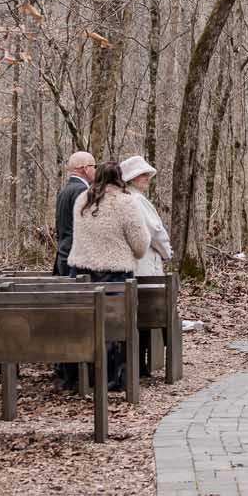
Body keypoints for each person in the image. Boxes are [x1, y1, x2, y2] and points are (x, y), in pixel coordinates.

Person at [65, 160, 149, 394]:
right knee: (116, 328)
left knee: (83, 326)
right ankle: (114, 378)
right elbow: (141, 244)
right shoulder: (126, 203)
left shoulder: (82, 200)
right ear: (119, 178)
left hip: (80, 273)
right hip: (114, 275)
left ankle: (81, 377)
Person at [119, 155, 172, 379]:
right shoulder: (137, 200)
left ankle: (142, 364)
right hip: (144, 266)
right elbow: (155, 232)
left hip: (138, 265)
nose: (147, 179)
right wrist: (167, 252)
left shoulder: (127, 198)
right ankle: (141, 365)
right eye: (143, 175)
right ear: (132, 178)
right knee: (147, 315)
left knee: (141, 317)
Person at [51, 149, 95, 390]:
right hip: (73, 258)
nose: (95, 171)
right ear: (84, 168)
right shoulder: (81, 191)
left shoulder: (64, 190)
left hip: (63, 254)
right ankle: (70, 371)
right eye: (93, 166)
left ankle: (66, 369)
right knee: (73, 315)